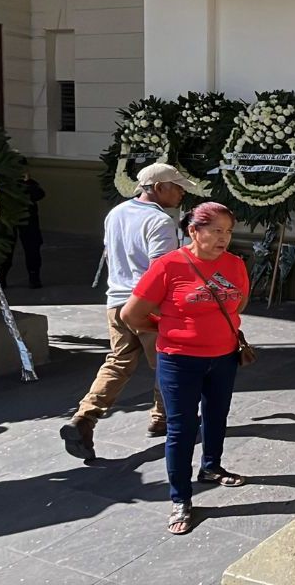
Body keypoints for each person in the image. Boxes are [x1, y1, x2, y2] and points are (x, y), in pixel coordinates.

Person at [121, 201, 249, 535]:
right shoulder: (169, 265)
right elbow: (131, 315)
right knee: (180, 428)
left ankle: (211, 467)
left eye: (228, 231)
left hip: (223, 356)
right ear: (194, 230)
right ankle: (181, 498)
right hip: (179, 361)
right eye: (216, 230)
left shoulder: (235, 264)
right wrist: (169, 328)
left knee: (217, 414)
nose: (224, 238)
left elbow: (240, 302)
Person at [60, 163, 190, 460]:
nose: (182, 191)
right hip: (147, 304)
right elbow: (162, 271)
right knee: (168, 362)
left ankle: (84, 417)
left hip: (116, 300)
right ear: (159, 188)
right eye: (177, 186)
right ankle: (164, 418)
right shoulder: (160, 222)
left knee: (119, 361)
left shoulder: (115, 213)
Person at [2, 159, 46, 289]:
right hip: (10, 218)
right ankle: (1, 276)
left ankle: (34, 277)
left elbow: (39, 194)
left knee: (32, 247)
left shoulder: (30, 184)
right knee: (7, 249)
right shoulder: (5, 183)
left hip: (28, 219)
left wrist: (27, 182)